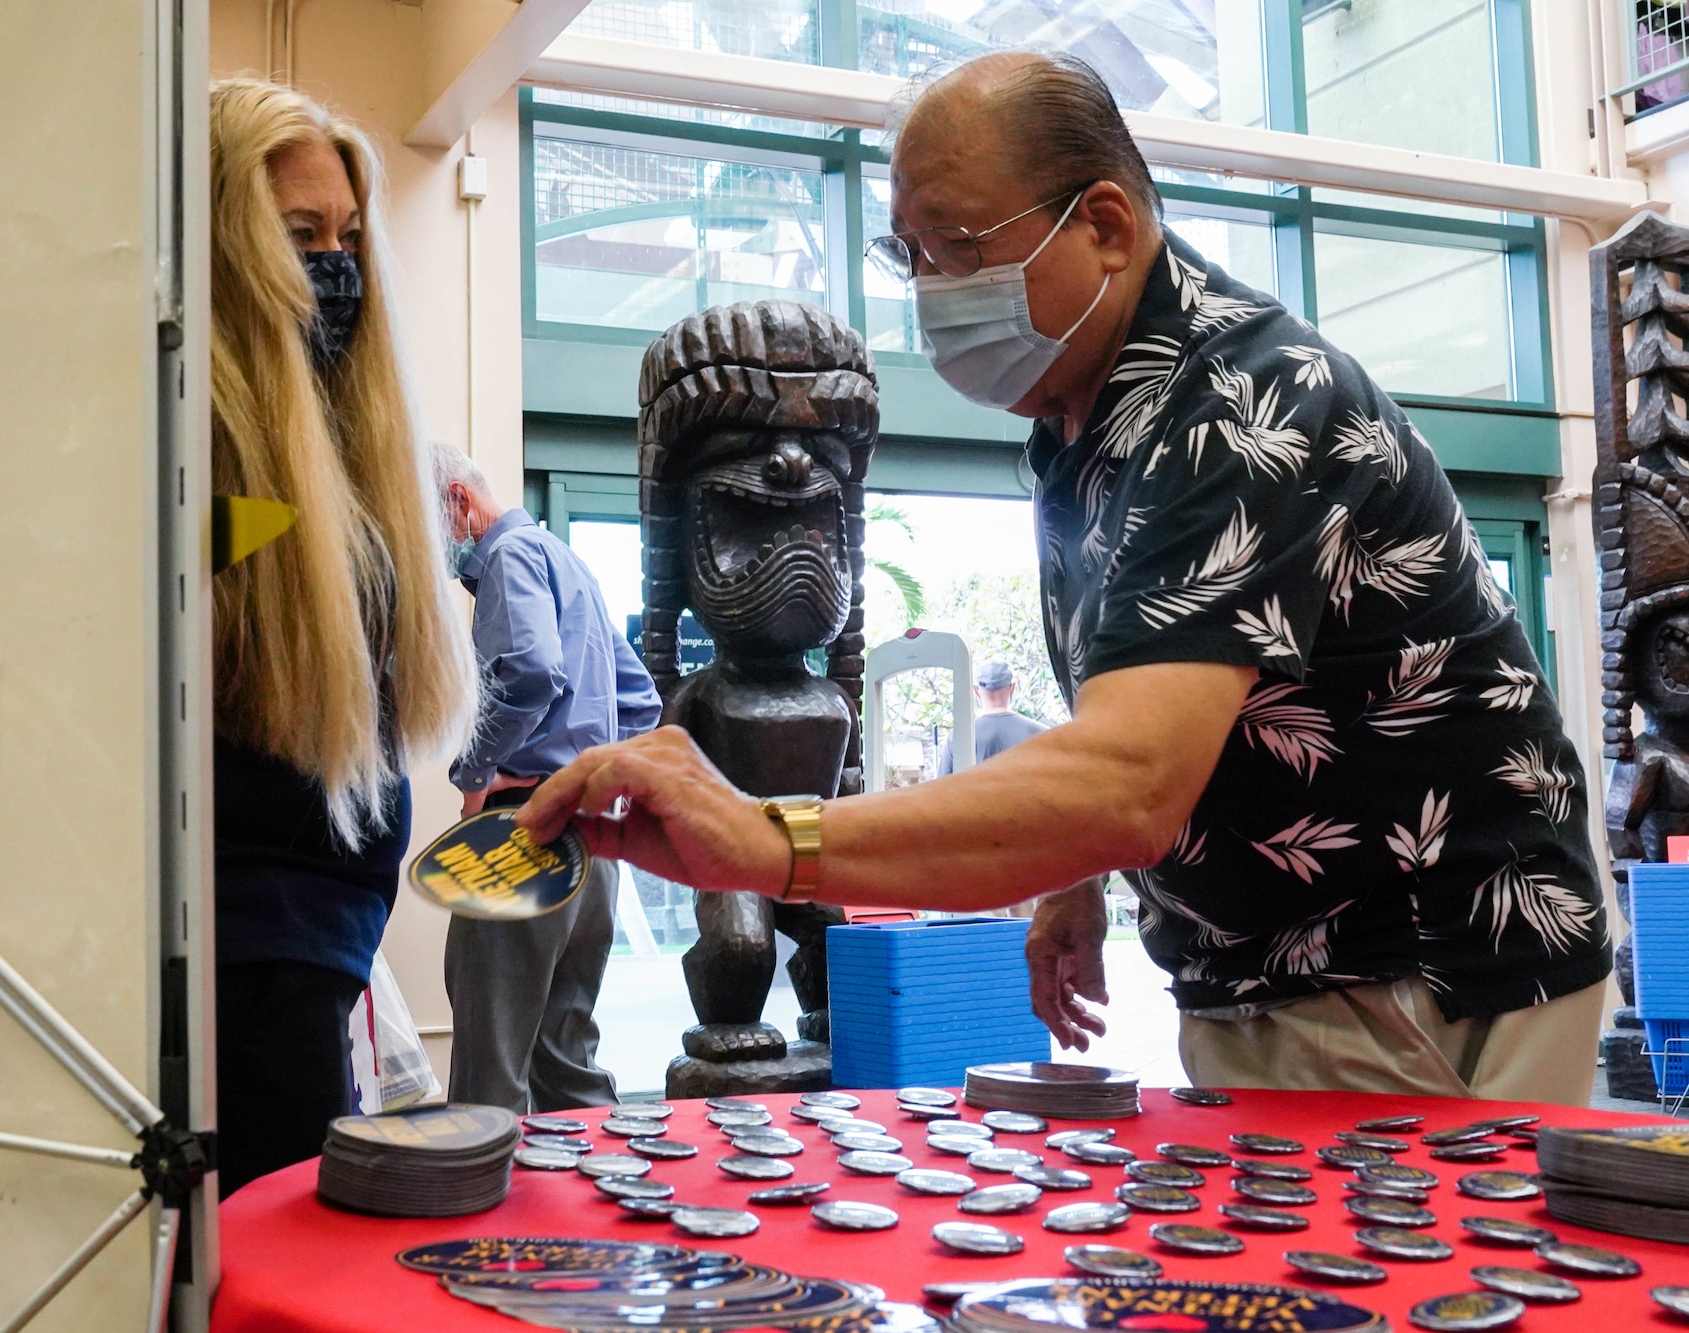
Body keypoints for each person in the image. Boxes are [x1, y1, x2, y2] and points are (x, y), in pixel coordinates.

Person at [518, 51, 1612, 1107]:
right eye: (910, 256)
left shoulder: (1239, 402)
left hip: (1424, 972)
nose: (932, 291)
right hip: (1275, 973)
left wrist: (774, 843)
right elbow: (1151, 708)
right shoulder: (1084, 432)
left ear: (1103, 224)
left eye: (955, 246)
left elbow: (1129, 781)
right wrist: (1070, 875)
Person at [208, 79, 476, 1196]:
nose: (333, 264)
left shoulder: (347, 467)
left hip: (324, 938)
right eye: (299, 235)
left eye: (347, 238)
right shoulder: (202, 466)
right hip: (246, 949)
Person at [435, 444, 662, 1113]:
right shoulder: (568, 562)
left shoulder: (507, 556)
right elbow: (641, 697)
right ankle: (603, 1212)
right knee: (570, 1071)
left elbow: (532, 671)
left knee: (490, 1075)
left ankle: (480, 1222)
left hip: (520, 835)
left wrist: (474, 770)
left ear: (457, 501)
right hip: (591, 847)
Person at [937, 660, 1046, 775]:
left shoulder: (959, 737)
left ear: (976, 690)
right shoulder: (1042, 734)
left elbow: (940, 789)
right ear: (1012, 688)